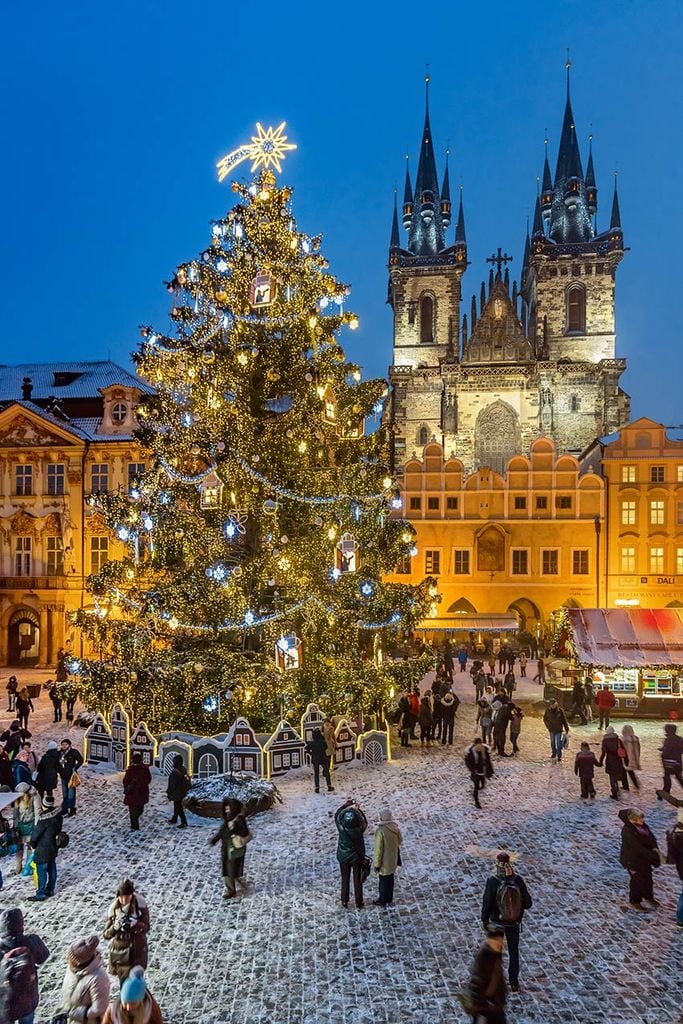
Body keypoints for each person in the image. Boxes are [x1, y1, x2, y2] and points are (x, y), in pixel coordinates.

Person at [481, 852, 532, 993]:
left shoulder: (492, 881)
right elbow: (528, 904)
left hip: (497, 923)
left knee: (494, 954)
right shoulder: (518, 880)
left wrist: (485, 920)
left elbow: (487, 903)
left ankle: (495, 983)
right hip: (513, 923)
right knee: (513, 952)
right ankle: (514, 982)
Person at [0, 908, 50, 1024]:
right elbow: (44, 956)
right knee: (27, 1019)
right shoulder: (31, 940)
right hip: (27, 998)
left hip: (5, 1003)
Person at [103, 880, 150, 979]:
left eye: (127, 897)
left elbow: (146, 927)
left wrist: (136, 923)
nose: (124, 900)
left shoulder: (140, 906)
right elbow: (106, 935)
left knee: (137, 980)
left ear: (132, 895)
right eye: (121, 897)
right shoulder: (113, 909)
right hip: (120, 951)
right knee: (124, 981)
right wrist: (115, 927)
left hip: (137, 948)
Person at [60, 935, 111, 1024]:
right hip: (72, 1017)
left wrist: (83, 1013)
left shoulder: (99, 978)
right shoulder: (73, 968)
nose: (68, 960)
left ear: (79, 963)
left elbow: (100, 1007)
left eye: (71, 959)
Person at [618, 808, 661, 912]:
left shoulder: (642, 825)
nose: (642, 821)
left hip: (644, 859)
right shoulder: (628, 831)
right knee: (637, 882)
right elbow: (637, 847)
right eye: (639, 819)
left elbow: (651, 837)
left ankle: (648, 897)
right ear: (632, 820)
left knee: (648, 879)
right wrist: (652, 855)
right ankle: (635, 902)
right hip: (633, 860)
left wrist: (655, 848)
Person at [209, 797, 252, 900]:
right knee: (229, 869)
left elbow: (244, 832)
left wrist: (234, 829)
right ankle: (233, 886)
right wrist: (215, 839)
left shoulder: (238, 819)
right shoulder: (228, 819)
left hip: (233, 848)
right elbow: (222, 831)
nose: (226, 811)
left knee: (230, 870)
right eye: (226, 809)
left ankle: (231, 890)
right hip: (227, 848)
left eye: (228, 809)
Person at [467, 924, 508, 1023]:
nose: (500, 943)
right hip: (487, 1010)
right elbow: (476, 984)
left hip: (495, 1007)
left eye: (501, 940)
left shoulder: (496, 954)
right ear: (490, 940)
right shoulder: (484, 957)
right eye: (497, 940)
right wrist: (484, 1007)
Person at [27, 793, 63, 901]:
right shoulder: (58, 815)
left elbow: (35, 835)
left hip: (43, 849)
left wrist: (32, 844)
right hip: (53, 846)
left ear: (44, 805)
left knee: (42, 871)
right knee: (52, 867)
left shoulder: (43, 820)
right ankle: (50, 889)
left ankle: (41, 893)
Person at [656, 789, 683, 927]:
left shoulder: (673, 833)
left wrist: (661, 792)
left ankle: (680, 919)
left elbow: (674, 801)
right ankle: (680, 918)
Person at [334, 797, 367, 909]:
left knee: (345, 878)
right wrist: (358, 810)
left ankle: (344, 900)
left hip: (343, 856)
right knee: (357, 879)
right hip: (356, 857)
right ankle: (359, 901)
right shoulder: (359, 830)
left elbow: (337, 815)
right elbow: (364, 821)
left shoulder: (341, 828)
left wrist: (345, 805)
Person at [372, 808, 402, 907]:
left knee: (383, 881)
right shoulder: (394, 828)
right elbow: (400, 841)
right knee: (390, 879)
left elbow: (378, 850)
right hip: (393, 859)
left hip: (384, 861)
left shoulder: (381, 831)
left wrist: (376, 864)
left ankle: (382, 900)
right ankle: (389, 897)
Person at [13, 782, 42, 875]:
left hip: (30, 824)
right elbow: (15, 812)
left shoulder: (35, 795)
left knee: (30, 845)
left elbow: (37, 812)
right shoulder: (18, 797)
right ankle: (18, 867)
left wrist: (37, 826)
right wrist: (15, 826)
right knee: (19, 846)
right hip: (20, 825)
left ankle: (28, 867)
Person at [122, 753, 152, 830]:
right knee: (140, 808)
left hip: (132, 794)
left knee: (133, 810)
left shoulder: (131, 770)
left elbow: (125, 781)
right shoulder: (145, 769)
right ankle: (135, 824)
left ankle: (134, 825)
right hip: (142, 793)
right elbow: (149, 779)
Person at [465, 737, 494, 810]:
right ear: (475, 745)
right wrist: (472, 769)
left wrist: (490, 771)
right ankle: (476, 802)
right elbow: (467, 762)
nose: (479, 747)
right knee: (476, 787)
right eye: (478, 745)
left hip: (483, 772)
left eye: (480, 745)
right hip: (476, 772)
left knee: (482, 784)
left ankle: (482, 785)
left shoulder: (485, 751)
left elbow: (488, 762)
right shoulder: (471, 753)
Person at [600, 726, 627, 800]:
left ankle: (614, 792)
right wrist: (625, 760)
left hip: (610, 760)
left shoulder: (605, 741)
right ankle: (617, 788)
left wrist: (600, 761)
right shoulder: (618, 740)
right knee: (616, 775)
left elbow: (603, 752)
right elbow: (623, 750)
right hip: (618, 760)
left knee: (612, 777)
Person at [58, 738, 83, 817]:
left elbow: (80, 760)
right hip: (63, 776)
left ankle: (72, 809)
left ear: (69, 745)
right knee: (65, 793)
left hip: (71, 776)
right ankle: (64, 809)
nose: (64, 746)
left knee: (71, 794)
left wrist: (75, 768)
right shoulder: (59, 753)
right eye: (63, 744)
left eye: (66, 744)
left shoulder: (73, 752)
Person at [305, 728, 335, 793]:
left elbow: (306, 748)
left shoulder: (312, 743)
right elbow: (326, 747)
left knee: (316, 773)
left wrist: (311, 753)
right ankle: (329, 786)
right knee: (326, 772)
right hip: (323, 758)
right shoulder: (323, 742)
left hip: (315, 759)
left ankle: (317, 787)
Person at [658, 723, 683, 796]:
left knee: (667, 777)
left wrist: (663, 754)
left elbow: (666, 751)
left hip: (668, 762)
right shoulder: (680, 739)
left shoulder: (668, 739)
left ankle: (666, 792)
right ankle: (666, 792)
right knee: (678, 776)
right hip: (678, 761)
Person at [166, 755, 191, 827]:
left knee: (178, 806)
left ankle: (184, 822)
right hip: (182, 790)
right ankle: (174, 818)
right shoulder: (183, 769)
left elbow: (172, 784)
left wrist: (169, 792)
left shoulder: (175, 772)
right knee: (176, 804)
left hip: (177, 791)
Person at [620, 724, 641, 790]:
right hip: (632, 757)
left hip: (625, 757)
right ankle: (636, 784)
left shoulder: (622, 739)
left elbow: (621, 749)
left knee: (623, 772)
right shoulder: (635, 738)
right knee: (631, 771)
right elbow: (638, 748)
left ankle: (625, 786)